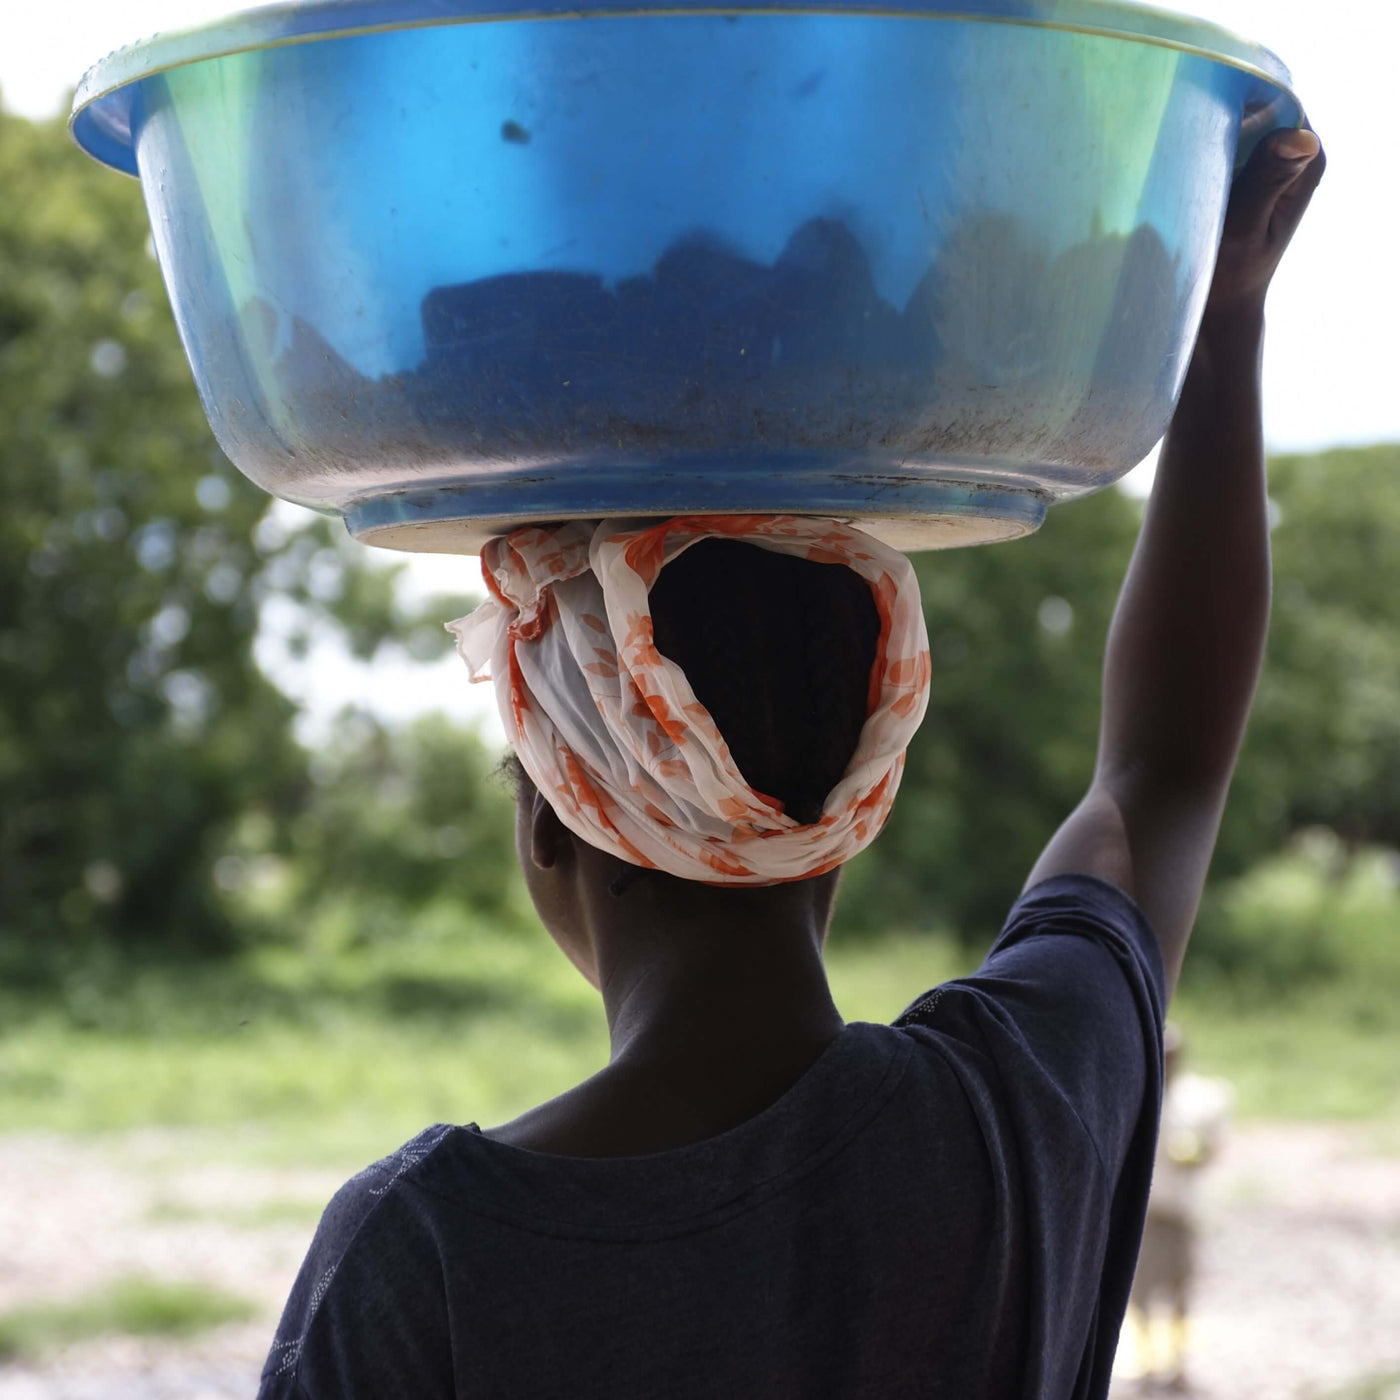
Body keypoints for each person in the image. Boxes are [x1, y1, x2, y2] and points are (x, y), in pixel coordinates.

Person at [257, 127, 1323, 1400]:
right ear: (853, 792)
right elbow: (1159, 773)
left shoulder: (423, 1257)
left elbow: (1158, 773)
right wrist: (1220, 328)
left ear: (554, 820)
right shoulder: (1009, 1122)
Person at [1125, 1024, 1236, 1391]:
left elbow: (1213, 1145)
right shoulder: (1135, 1095)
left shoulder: (1198, 1100)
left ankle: (1176, 1365)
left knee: (1181, 1290)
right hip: (1144, 1212)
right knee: (1139, 1292)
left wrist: (1199, 1153)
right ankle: (1145, 1363)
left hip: (1183, 1209)